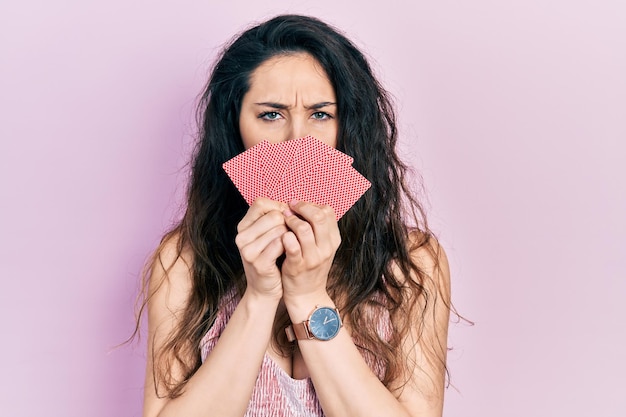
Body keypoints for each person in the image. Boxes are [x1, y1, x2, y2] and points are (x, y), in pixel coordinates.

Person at [137, 14, 451, 417]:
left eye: (321, 114)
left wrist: (307, 297)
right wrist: (260, 295)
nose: (298, 141)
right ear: (236, 130)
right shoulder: (183, 261)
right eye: (271, 115)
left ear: (349, 128)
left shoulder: (411, 265)